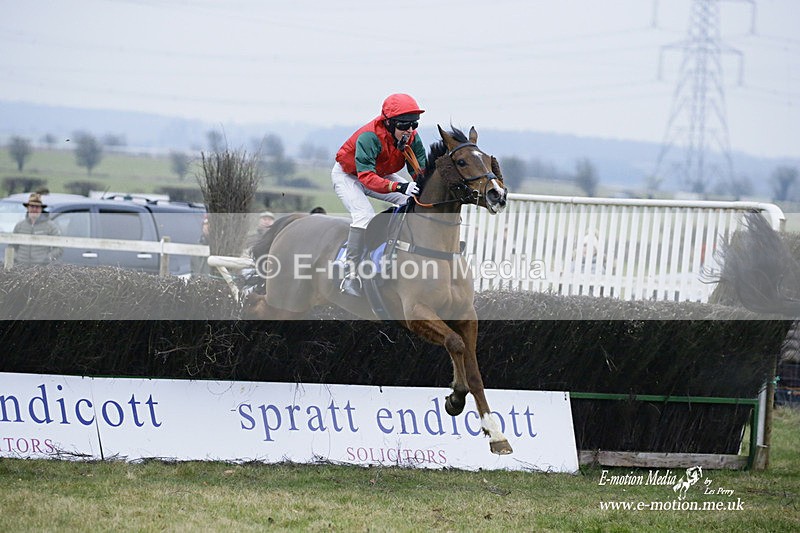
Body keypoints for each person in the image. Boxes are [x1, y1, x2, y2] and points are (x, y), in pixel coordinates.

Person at [332, 93, 427, 296]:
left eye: (414, 124)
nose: (410, 130)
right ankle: (350, 274)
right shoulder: (369, 136)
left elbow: (420, 171)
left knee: (414, 200)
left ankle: (395, 249)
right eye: (404, 125)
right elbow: (366, 177)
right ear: (389, 123)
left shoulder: (411, 137)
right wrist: (399, 187)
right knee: (364, 215)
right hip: (350, 175)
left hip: (379, 173)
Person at [12, 192, 62, 266]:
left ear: (41, 209)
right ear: (27, 208)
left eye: (37, 207)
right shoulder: (19, 226)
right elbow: (12, 246)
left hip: (41, 269)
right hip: (21, 268)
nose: (34, 209)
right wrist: (16, 258)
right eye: (32, 206)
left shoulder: (50, 226)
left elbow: (59, 248)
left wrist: (47, 259)